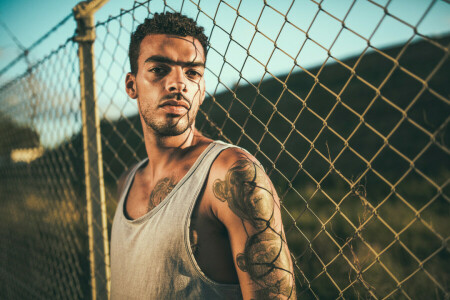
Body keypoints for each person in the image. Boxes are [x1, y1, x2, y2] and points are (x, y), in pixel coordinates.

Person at [110, 12, 297, 300]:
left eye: (192, 72)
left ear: (202, 90)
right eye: (159, 70)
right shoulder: (127, 182)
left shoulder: (231, 173)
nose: (178, 84)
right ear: (131, 85)